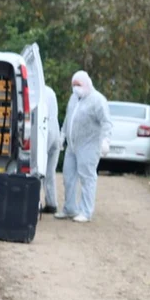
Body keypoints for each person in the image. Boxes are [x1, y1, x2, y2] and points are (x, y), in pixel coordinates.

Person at [54, 70, 112, 223]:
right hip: (72, 146)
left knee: (87, 178)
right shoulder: (74, 98)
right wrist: (62, 136)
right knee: (68, 176)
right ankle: (70, 208)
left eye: (78, 85)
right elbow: (68, 119)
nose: (75, 88)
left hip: (89, 145)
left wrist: (105, 140)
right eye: (73, 85)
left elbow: (106, 122)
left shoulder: (97, 100)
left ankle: (86, 211)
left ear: (86, 84)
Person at [41, 85, 60, 214]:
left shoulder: (36, 91)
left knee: (37, 170)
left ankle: (35, 203)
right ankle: (52, 203)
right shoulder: (50, 91)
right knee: (50, 172)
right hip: (55, 132)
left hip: (44, 133)